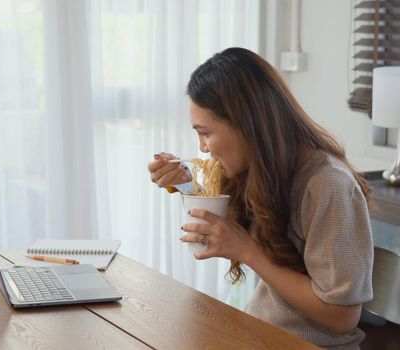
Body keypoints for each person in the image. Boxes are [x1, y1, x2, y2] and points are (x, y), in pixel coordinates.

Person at [147, 47, 373, 349]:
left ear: (246, 123)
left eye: (205, 133)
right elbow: (227, 234)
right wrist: (186, 186)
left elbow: (342, 317)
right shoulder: (267, 170)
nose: (202, 148)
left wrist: (248, 251)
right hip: (261, 334)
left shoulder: (327, 186)